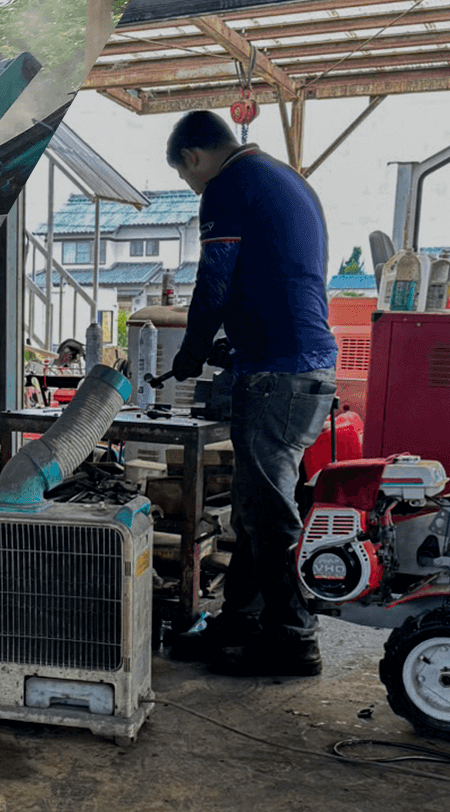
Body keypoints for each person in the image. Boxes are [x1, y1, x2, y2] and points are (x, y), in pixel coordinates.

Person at [164, 110, 338, 677]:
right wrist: (234, 345)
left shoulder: (229, 184)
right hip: (300, 366)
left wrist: (190, 352)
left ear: (193, 157)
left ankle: (294, 636)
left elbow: (214, 279)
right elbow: (274, 277)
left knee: (267, 513)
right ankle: (240, 621)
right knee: (254, 505)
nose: (195, 190)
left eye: (188, 179)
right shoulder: (287, 179)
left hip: (278, 372)